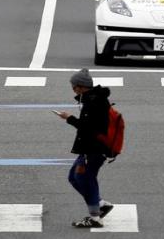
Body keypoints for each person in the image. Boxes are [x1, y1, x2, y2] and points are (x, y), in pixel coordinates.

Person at [54, 68, 114, 228]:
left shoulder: (93, 102)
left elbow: (87, 128)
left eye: (74, 86)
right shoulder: (94, 99)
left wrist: (69, 118)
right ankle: (100, 204)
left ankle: (95, 217)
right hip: (91, 148)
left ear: (80, 86)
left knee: (84, 179)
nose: (72, 88)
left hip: (94, 149)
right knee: (74, 178)